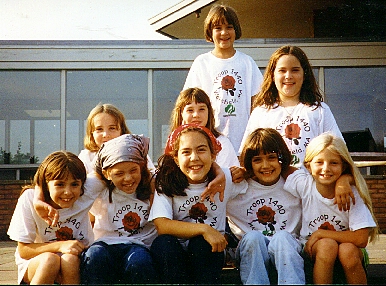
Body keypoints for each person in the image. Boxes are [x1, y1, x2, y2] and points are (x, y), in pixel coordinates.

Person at [149, 124, 247, 284]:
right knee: (163, 244)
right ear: (176, 158)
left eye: (201, 150)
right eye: (186, 152)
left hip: (208, 252)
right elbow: (162, 225)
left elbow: (261, 177)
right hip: (175, 254)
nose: (194, 157)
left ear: (213, 155)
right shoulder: (166, 182)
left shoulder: (226, 179)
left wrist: (244, 172)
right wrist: (204, 229)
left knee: (202, 244)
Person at [284, 132, 378, 284]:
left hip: (351, 251)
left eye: (334, 163)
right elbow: (280, 169)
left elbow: (361, 239)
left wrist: (321, 233)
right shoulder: (304, 184)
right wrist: (243, 172)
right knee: (327, 246)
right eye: (319, 162)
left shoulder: (351, 193)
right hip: (313, 248)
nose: (326, 168)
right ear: (308, 166)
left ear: (344, 166)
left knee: (346, 250)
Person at [7, 151, 104, 284]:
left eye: (74, 184)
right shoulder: (29, 198)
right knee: (50, 260)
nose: (68, 192)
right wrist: (60, 246)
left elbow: (112, 163)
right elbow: (24, 251)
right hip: (38, 263)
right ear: (46, 184)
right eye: (60, 184)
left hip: (75, 261)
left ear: (82, 184)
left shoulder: (86, 191)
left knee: (69, 259)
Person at [240, 45, 343, 168]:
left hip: (310, 185)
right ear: (273, 75)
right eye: (282, 70)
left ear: (304, 75)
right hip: (274, 186)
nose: (288, 76)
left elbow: (339, 152)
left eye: (295, 70)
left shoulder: (320, 111)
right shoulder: (260, 113)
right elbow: (245, 156)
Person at [227, 128, 304, 284]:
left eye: (271, 157)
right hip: (251, 254)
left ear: (282, 158)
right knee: (253, 237)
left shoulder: (295, 183)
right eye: (257, 160)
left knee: (282, 238)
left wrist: (345, 180)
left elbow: (324, 182)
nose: (265, 165)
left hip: (288, 251)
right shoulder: (239, 187)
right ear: (249, 163)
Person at [183, 4, 263, 153]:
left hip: (243, 144)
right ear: (210, 32)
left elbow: (257, 103)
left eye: (229, 27)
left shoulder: (247, 62)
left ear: (236, 30)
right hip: (210, 143)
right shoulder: (202, 63)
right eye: (218, 28)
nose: (224, 33)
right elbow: (189, 102)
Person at [80, 134, 158, 284]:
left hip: (138, 244)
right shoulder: (99, 186)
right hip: (105, 243)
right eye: (119, 173)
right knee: (94, 256)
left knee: (140, 262)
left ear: (142, 167)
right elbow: (67, 186)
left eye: (133, 171)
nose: (128, 178)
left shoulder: (152, 184)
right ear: (107, 173)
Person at [170, 87, 240, 168]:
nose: (196, 115)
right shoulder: (173, 142)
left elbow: (224, 175)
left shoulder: (222, 143)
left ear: (209, 112)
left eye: (201, 109)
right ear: (181, 113)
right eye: (190, 110)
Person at [78, 103, 155, 174]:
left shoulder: (137, 152)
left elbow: (152, 180)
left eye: (112, 128)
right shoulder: (86, 157)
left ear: (122, 131)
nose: (106, 135)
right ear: (91, 133)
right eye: (99, 129)